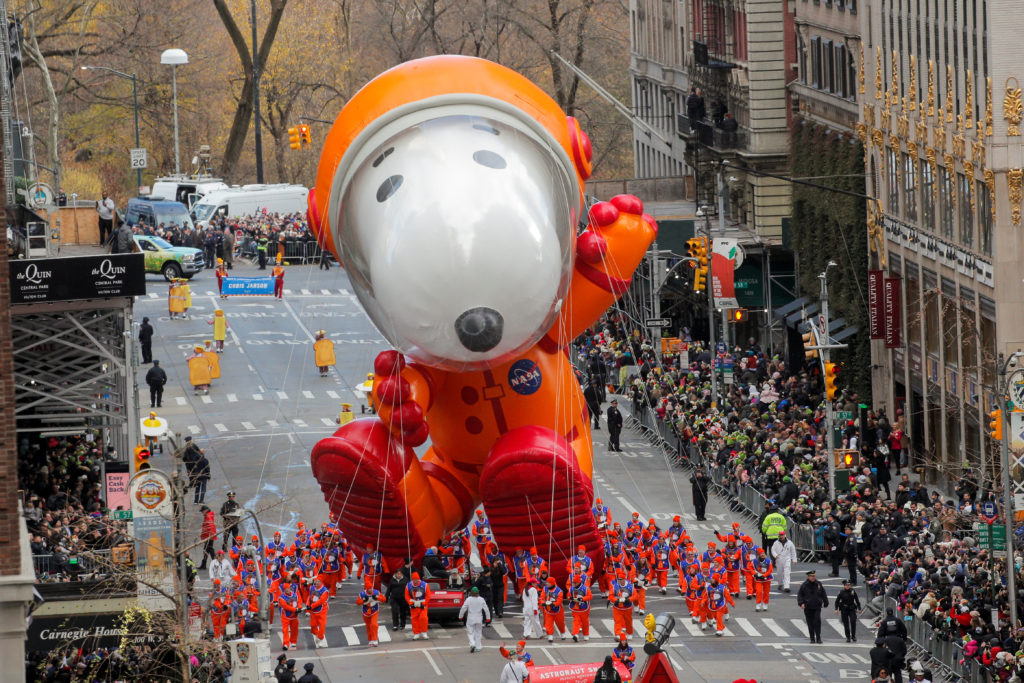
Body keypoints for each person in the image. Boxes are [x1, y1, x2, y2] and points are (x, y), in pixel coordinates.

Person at [797, 570, 828, 644]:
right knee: (810, 622)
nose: (813, 577)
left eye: (814, 576)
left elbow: (823, 593)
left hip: (817, 606)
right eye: (811, 576)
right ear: (808, 577)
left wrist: (825, 601)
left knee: (817, 621)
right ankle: (812, 638)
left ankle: (818, 637)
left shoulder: (818, 584)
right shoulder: (804, 585)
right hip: (808, 606)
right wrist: (801, 603)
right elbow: (800, 595)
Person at [460, 585, 491, 653]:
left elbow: (463, 608)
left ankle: (472, 643)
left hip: (470, 618)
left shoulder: (468, 599)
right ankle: (478, 647)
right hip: (479, 618)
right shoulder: (481, 599)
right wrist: (488, 618)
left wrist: (461, 615)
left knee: (470, 632)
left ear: (471, 593)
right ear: (478, 592)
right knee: (478, 632)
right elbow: (486, 609)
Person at [356, 582, 385, 647]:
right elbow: (358, 602)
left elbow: (384, 599)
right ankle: (370, 639)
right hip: (366, 612)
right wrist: (363, 600)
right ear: (366, 589)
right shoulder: (362, 594)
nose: (371, 590)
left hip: (374, 611)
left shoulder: (376, 592)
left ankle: (375, 640)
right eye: (369, 588)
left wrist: (377, 598)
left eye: (371, 588)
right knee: (368, 626)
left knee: (374, 624)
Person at [277, 581, 302, 651]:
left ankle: (293, 641)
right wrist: (295, 609)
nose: (287, 590)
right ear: (284, 590)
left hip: (294, 615)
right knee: (285, 630)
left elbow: (299, 601)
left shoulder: (295, 595)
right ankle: (286, 644)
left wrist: (299, 607)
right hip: (285, 616)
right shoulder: (281, 598)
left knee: (295, 629)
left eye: (288, 588)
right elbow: (286, 606)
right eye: (286, 589)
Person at [405, 571, 431, 639]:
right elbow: (407, 596)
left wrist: (424, 604)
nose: (415, 581)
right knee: (414, 619)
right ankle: (416, 633)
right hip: (414, 603)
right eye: (414, 580)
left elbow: (428, 596)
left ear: (419, 579)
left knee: (423, 618)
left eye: (416, 579)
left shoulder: (425, 585)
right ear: (412, 580)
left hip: (422, 603)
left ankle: (424, 632)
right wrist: (411, 604)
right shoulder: (408, 585)